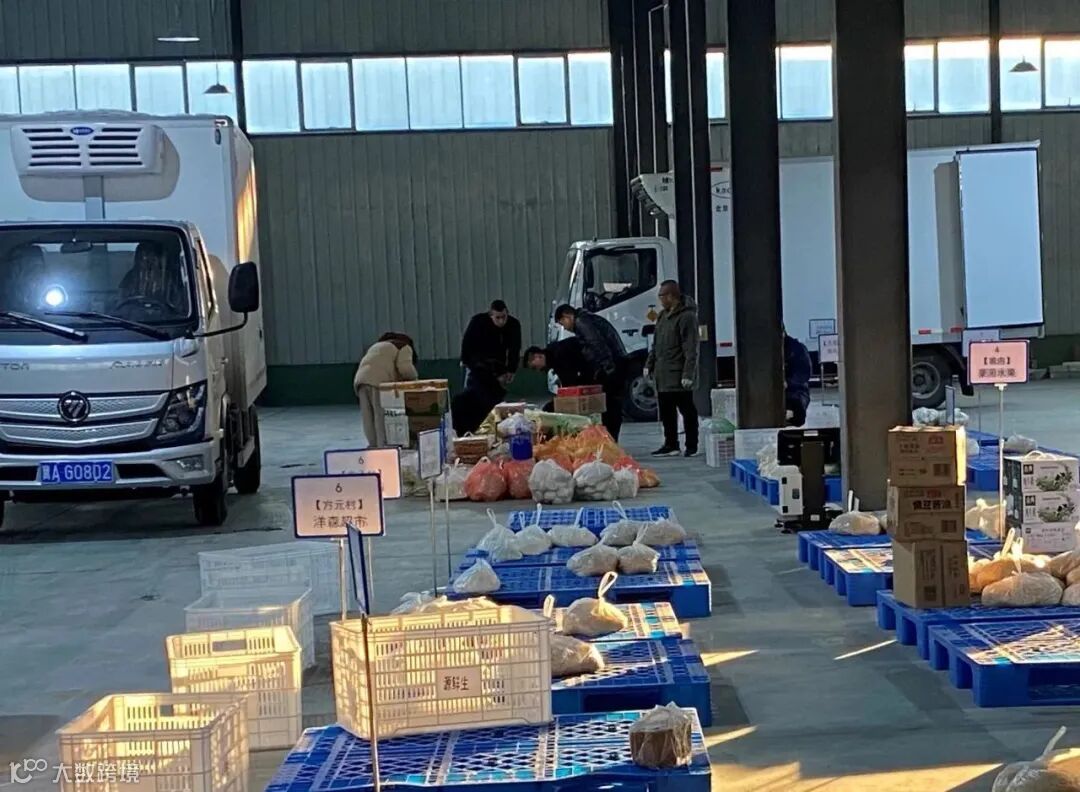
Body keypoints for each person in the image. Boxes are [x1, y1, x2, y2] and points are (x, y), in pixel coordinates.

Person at [552, 304, 629, 440]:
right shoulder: (588, 319)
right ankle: (611, 439)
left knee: (611, 406)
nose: (565, 328)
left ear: (567, 316)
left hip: (610, 366)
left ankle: (611, 439)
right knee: (612, 406)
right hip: (614, 363)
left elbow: (597, 343)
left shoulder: (582, 322)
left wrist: (607, 369)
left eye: (563, 323)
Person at [645, 280, 700, 457]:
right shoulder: (662, 316)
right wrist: (649, 364)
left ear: (671, 296)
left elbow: (691, 348)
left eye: (662, 296)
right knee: (666, 412)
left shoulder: (687, 317)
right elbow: (656, 345)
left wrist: (688, 374)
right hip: (662, 375)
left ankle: (691, 445)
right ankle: (671, 444)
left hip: (678, 374)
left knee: (687, 410)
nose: (660, 299)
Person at [454, 300, 522, 435]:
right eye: (498, 318)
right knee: (472, 396)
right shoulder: (478, 322)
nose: (501, 321)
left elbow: (514, 348)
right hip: (477, 364)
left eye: (504, 317)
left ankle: (492, 425)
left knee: (493, 397)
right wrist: (467, 361)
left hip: (498, 365)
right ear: (491, 315)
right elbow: (467, 343)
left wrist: (511, 369)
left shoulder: (513, 325)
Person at [353, 332, 418, 447]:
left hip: (360, 379)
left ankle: (373, 446)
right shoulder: (404, 347)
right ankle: (382, 447)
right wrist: (416, 380)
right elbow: (405, 368)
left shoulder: (377, 346)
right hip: (378, 380)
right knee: (380, 416)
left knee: (368, 416)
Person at [523, 337, 591, 411]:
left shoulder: (558, 355)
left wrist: (552, 406)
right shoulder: (554, 354)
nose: (537, 370)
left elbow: (569, 385)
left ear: (536, 356)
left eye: (534, 367)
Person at [784, 329, 812, 427]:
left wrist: (788, 383)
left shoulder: (796, 348)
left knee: (797, 407)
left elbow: (803, 373)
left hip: (795, 393)